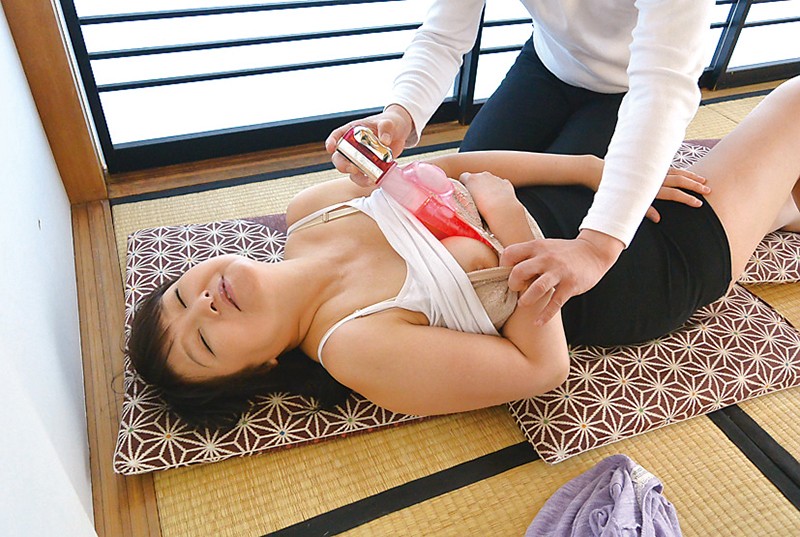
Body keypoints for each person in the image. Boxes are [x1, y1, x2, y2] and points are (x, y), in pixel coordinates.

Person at [129, 78, 800, 430]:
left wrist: (598, 173)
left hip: (580, 201)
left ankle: (777, 211)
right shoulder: (355, 347)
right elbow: (542, 368)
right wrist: (506, 217)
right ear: (261, 367)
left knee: (616, 87)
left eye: (183, 296)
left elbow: (452, 166)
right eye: (205, 342)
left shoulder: (308, 212)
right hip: (636, 269)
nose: (204, 304)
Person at [326, 0, 715, 326]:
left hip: (631, 89)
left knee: (543, 223)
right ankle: (596, 169)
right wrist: (399, 114)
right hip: (549, 62)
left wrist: (597, 246)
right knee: (468, 193)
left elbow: (662, 90)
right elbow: (443, 34)